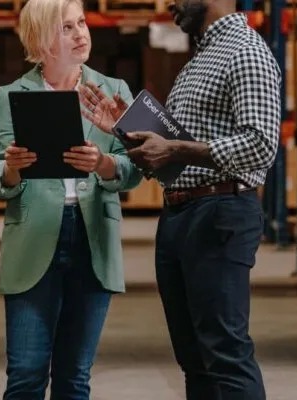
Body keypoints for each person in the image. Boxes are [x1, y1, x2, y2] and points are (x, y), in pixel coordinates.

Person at [82, 0, 281, 398]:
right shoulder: (199, 59)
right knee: (193, 358)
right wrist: (128, 127)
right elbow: (172, 153)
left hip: (219, 211)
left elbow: (261, 144)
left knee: (225, 352)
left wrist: (175, 150)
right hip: (181, 213)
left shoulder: (246, 51)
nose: (168, 3)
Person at [0, 0, 143, 397]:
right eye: (66, 27)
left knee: (74, 377)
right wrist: (13, 168)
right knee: (26, 375)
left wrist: (103, 163)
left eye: (82, 23)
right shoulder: (11, 96)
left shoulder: (115, 91)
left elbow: (135, 168)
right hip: (35, 239)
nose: (81, 33)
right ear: (41, 38)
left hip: (93, 240)